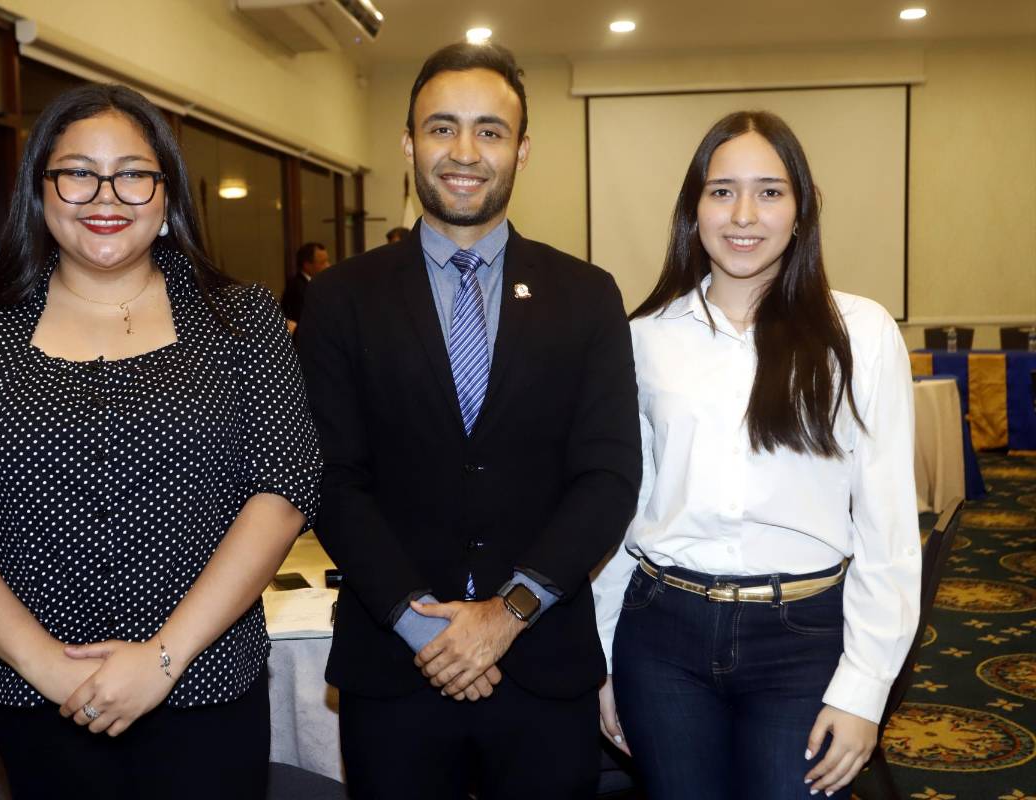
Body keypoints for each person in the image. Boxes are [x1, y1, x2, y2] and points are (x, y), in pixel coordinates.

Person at [0, 83, 322, 799]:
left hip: (206, 686)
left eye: (133, 174)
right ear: (41, 188)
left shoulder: (241, 319)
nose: (105, 196)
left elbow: (283, 488)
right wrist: (49, 668)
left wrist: (161, 659)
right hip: (36, 699)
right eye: (78, 172)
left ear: (167, 193)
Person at [298, 42, 641, 799]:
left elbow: (609, 477)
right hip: (394, 665)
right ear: (408, 144)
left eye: (490, 131)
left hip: (541, 662)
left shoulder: (587, 295)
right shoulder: (340, 299)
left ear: (522, 150)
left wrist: (506, 615)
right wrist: (427, 628)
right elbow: (331, 478)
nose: (464, 151)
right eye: (442, 127)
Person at [593, 111, 921, 800]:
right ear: (694, 210)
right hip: (661, 636)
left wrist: (865, 690)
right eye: (722, 191)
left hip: (804, 639)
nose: (744, 214)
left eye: (770, 192)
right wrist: (602, 659)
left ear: (801, 211)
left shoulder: (860, 334)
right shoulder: (646, 336)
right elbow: (624, 509)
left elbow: (888, 528)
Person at [280, 241, 330, 333]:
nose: (328, 266)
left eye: (327, 261)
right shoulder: (298, 287)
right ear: (307, 265)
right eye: (322, 262)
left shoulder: (315, 283)